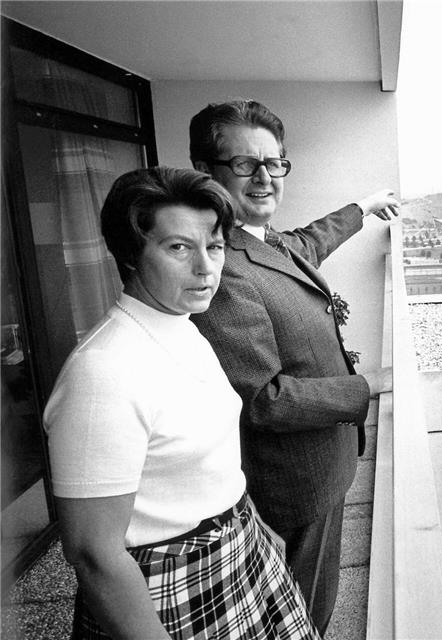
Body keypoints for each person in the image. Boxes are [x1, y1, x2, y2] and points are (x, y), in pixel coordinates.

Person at [44, 167, 319, 639]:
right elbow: (93, 554)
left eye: (213, 247)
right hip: (169, 585)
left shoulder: (181, 324)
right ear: (130, 254)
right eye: (178, 248)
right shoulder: (104, 371)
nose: (206, 268)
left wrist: (250, 523)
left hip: (238, 549)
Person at [188, 99, 397, 634]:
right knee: (300, 614)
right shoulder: (223, 269)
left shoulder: (264, 241)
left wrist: (365, 205)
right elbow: (262, 399)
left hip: (320, 467)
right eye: (244, 164)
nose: (264, 177)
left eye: (275, 162)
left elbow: (311, 240)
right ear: (206, 174)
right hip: (294, 484)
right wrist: (368, 386)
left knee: (311, 602)